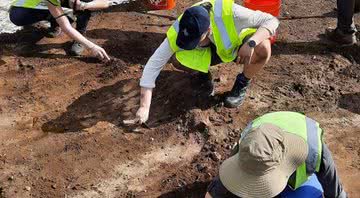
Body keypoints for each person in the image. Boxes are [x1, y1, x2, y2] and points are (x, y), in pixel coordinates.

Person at [133, 0, 279, 124]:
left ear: (207, 30)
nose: (193, 45)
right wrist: (144, 107)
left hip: (238, 47)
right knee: (178, 58)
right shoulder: (182, 26)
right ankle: (202, 75)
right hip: (212, 49)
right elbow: (154, 64)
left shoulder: (232, 13)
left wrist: (252, 43)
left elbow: (272, 20)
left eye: (196, 41)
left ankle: (241, 84)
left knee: (263, 48)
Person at [205, 111, 347, 198]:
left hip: (298, 144)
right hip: (267, 129)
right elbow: (216, 191)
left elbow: (335, 192)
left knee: (308, 195)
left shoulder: (314, 153)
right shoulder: (247, 146)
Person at [9, 0, 112, 59]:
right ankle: (49, 21)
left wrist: (85, 5)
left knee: (84, 5)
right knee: (17, 16)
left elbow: (105, 2)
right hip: (41, 4)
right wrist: (91, 47)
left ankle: (80, 33)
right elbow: (65, 26)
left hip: (57, 4)